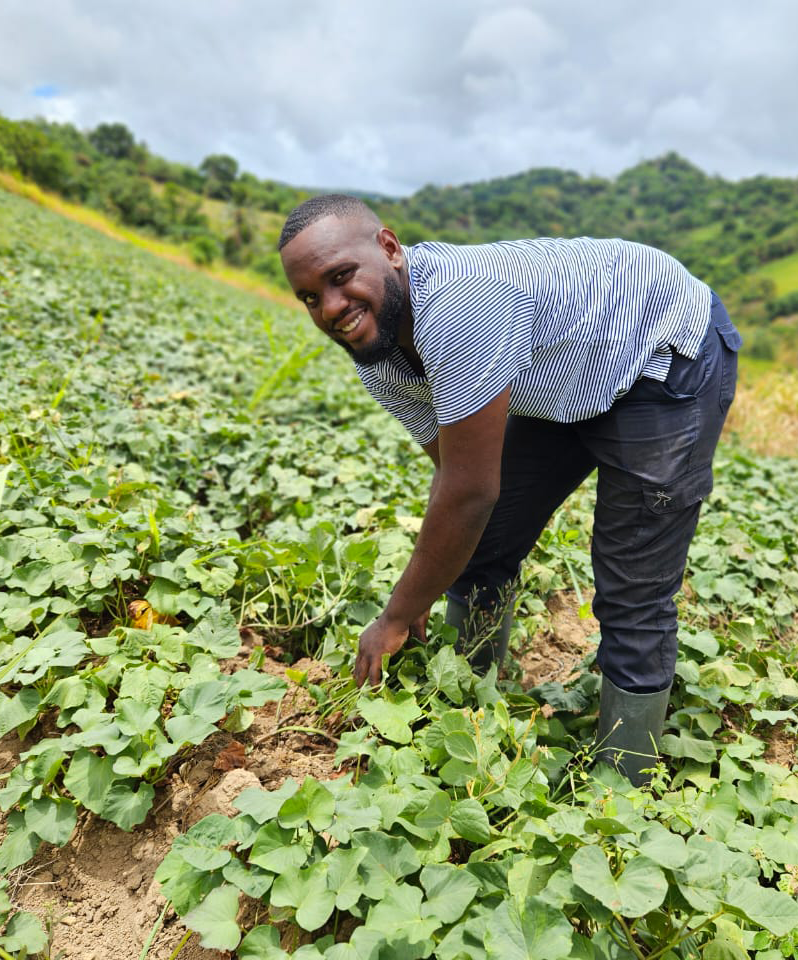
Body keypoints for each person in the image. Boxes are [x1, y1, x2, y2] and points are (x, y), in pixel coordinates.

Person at [279, 194, 741, 786]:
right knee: (482, 545)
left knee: (632, 586)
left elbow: (471, 490)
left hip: (664, 352)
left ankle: (624, 790)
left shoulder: (458, 306)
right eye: (311, 297)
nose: (332, 307)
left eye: (341, 277)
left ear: (390, 249)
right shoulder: (373, 347)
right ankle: (466, 707)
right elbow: (453, 471)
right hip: (570, 372)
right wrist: (432, 579)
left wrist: (399, 612)